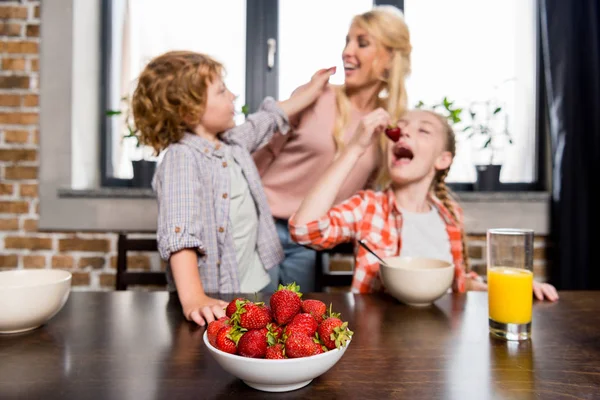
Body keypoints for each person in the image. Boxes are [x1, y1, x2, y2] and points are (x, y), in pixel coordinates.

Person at [132, 50, 334, 325]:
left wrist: (312, 89)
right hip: (220, 298)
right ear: (188, 111)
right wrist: (193, 298)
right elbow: (180, 234)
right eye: (221, 91)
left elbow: (268, 119)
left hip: (259, 283)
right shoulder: (182, 158)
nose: (232, 96)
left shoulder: (231, 144)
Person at [289, 107, 559, 301]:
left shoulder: (449, 216)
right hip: (379, 341)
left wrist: (514, 286)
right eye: (402, 125)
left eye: (423, 130)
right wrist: (354, 149)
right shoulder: (368, 206)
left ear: (442, 160)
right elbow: (304, 229)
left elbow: (460, 283)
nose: (404, 131)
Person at [254, 5, 411, 292]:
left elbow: (372, 193)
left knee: (296, 322)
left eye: (362, 43)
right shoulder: (316, 95)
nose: (347, 51)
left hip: (308, 238)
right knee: (255, 318)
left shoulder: (388, 124)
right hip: (259, 225)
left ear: (390, 58)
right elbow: (263, 153)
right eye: (347, 41)